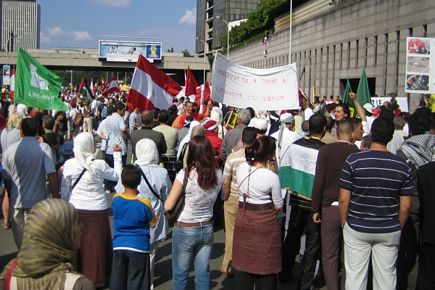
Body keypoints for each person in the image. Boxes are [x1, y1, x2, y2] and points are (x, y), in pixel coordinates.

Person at [339, 117, 413, 290]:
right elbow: (405, 205)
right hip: (389, 227)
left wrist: (344, 221)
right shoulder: (402, 166)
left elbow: (344, 198)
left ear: (371, 134)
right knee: (386, 278)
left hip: (357, 226)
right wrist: (398, 226)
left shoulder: (353, 161)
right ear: (390, 137)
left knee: (355, 277)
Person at [61, 132, 122, 288]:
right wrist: (117, 155)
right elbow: (117, 175)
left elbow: (65, 190)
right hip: (97, 209)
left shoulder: (69, 165)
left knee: (77, 244)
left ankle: (76, 274)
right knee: (96, 246)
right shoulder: (99, 164)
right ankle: (97, 277)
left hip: (76, 208)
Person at [164, 135, 223, 290]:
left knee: (180, 272)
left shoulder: (185, 175)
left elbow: (169, 205)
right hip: (207, 226)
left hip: (185, 226)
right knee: (203, 271)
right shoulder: (218, 174)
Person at [0, 199, 95, 290]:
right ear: (59, 234)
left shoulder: (9, 275)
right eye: (76, 223)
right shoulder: (79, 285)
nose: (81, 226)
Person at [115, 138, 171, 289]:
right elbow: (167, 195)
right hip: (153, 214)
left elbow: (119, 190)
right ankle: (148, 281)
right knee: (150, 251)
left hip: (130, 213)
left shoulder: (129, 169)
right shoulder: (162, 172)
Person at [278, 113, 326, 288]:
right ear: (324, 129)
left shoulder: (295, 146)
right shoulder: (324, 150)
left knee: (292, 235)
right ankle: (305, 282)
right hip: (314, 202)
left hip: (296, 197)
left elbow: (285, 168)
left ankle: (284, 272)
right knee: (312, 242)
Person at [311, 120, 359, 290]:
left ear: (336, 133)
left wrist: (315, 208)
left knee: (329, 253)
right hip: (352, 208)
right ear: (352, 134)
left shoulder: (325, 150)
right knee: (349, 254)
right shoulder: (357, 153)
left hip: (329, 206)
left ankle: (332, 287)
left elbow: (319, 181)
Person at [232, 135, 282, 289]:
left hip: (244, 217)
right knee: (266, 265)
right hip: (265, 222)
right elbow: (278, 204)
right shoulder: (271, 177)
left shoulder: (242, 168)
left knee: (243, 263)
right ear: (270, 155)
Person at [2, 117, 59, 249]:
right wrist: (56, 197)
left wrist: (10, 195)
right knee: (36, 242)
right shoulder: (43, 148)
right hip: (37, 201)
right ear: (36, 131)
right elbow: (52, 174)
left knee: (22, 245)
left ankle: (26, 265)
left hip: (17, 202)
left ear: (21, 131)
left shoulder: (10, 151)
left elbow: (7, 178)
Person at [110, 165, 157, 290]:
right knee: (137, 282)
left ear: (122, 181)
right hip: (139, 246)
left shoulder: (115, 199)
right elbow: (153, 222)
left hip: (119, 244)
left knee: (118, 281)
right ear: (139, 181)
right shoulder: (144, 204)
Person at [220, 127, 258, 276]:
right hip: (251, 198)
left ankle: (228, 265)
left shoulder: (232, 157)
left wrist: (226, 196)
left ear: (242, 139)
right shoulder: (258, 159)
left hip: (234, 197)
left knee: (231, 233)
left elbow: (226, 180)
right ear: (255, 140)